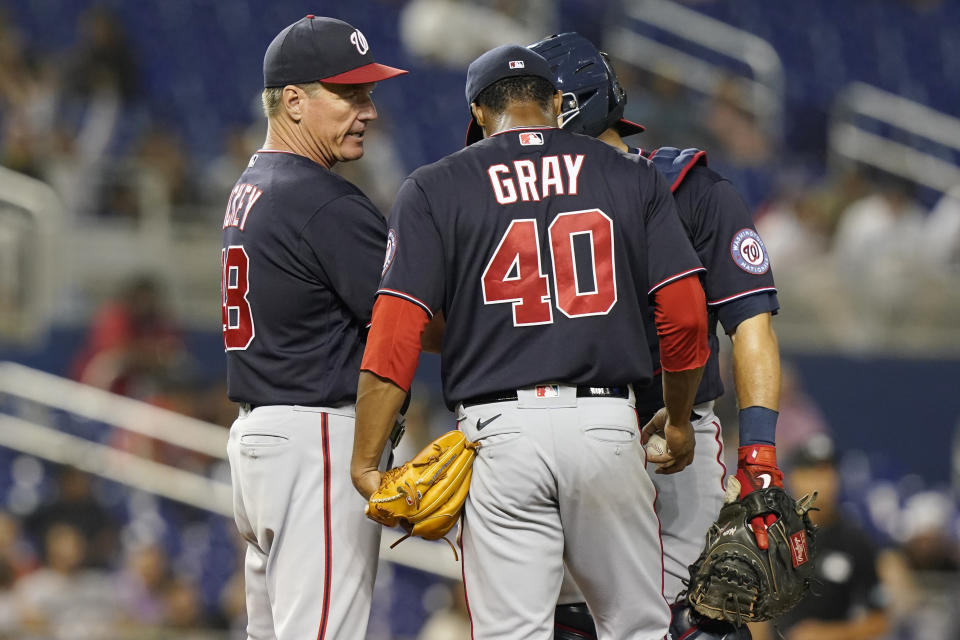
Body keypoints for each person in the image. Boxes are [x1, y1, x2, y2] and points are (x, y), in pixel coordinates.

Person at [352, 44, 709, 639]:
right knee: (640, 628)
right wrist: (676, 418)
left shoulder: (436, 186)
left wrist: (367, 460)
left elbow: (396, 330)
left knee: (511, 633)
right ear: (558, 104)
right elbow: (686, 316)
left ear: (478, 112)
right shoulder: (628, 175)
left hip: (499, 435)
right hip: (605, 423)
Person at [528, 33, 784, 639]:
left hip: (622, 437)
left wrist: (761, 450)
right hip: (616, 439)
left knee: (648, 620)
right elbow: (749, 327)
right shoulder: (687, 186)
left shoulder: (687, 188)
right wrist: (761, 455)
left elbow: (749, 322)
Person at [220, 15, 406, 640]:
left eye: (369, 93)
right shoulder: (322, 199)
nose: (368, 110)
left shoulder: (252, 183)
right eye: (349, 94)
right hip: (316, 441)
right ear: (294, 101)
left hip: (259, 439)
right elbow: (407, 320)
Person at [753, 435, 890, 640]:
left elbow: (880, 619)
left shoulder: (854, 541)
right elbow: (748, 609)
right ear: (794, 477)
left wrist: (828, 635)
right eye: (813, 472)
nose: (823, 482)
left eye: (828, 472)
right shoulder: (769, 535)